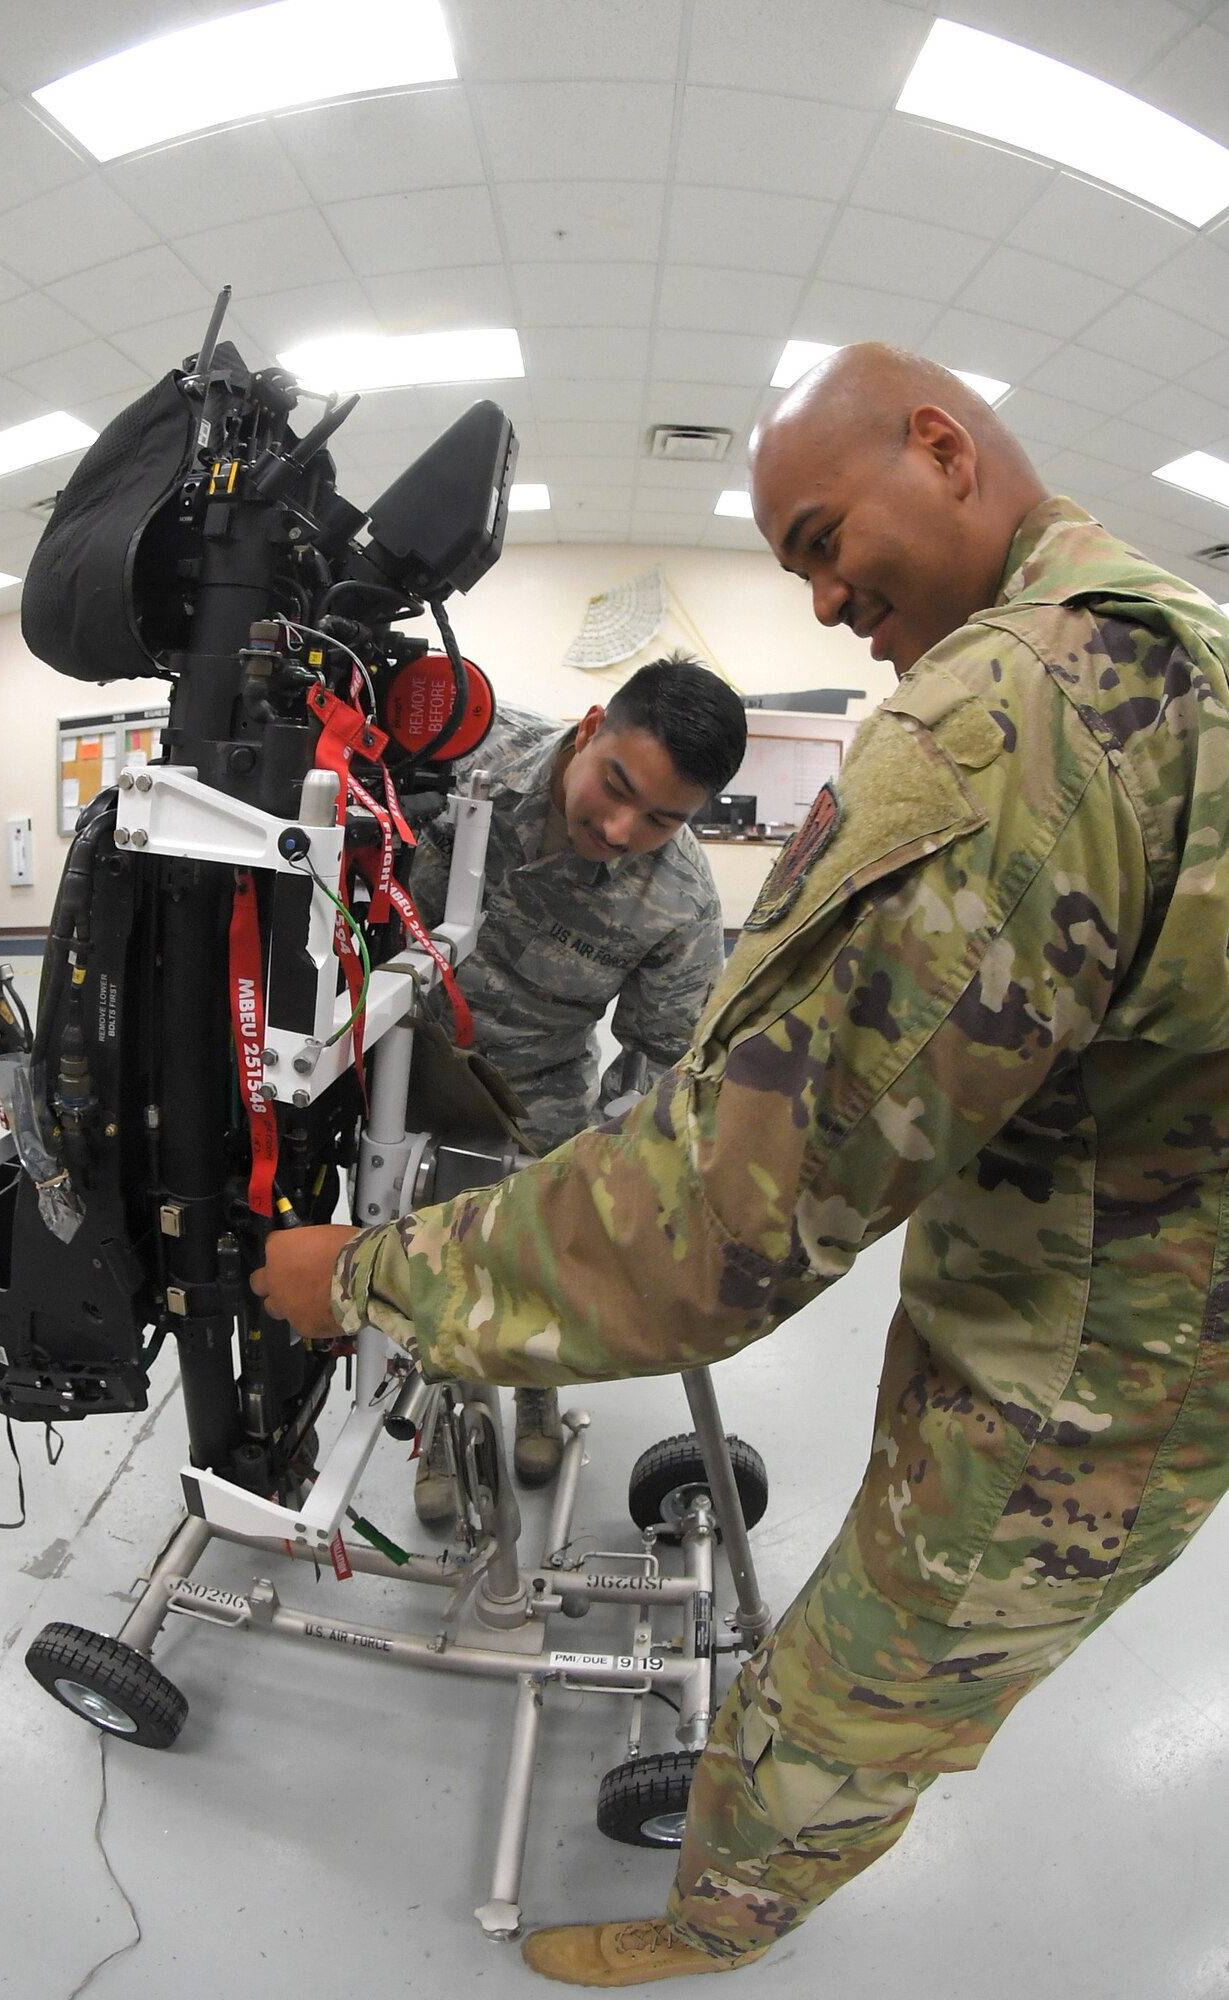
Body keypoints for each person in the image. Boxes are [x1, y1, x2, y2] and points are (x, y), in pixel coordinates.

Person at [252, 342, 1229, 1988]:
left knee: (858, 1686)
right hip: (1066, 1258)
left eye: (828, 537)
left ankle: (705, 1926)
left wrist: (358, 1282)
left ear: (941, 446)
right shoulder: (1175, 652)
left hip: (1090, 1360)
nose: (831, 597)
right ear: (590, 736)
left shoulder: (1009, 726)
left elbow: (713, 1211)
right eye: (796, 564)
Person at [406, 655, 747, 1518]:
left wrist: (608, 1170)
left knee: (535, 1247)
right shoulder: (465, 756)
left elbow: (658, 1061)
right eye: (616, 786)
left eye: (663, 818)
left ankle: (532, 1391)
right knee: (417, 1257)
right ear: (591, 726)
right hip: (403, 1059)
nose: (623, 827)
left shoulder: (679, 901)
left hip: (539, 1082)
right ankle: (443, 1428)